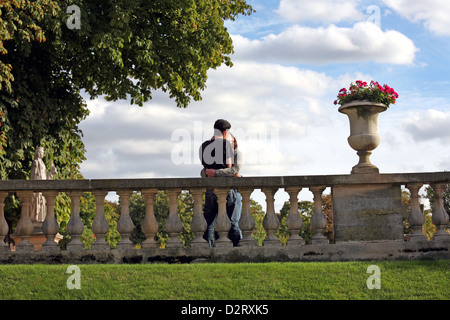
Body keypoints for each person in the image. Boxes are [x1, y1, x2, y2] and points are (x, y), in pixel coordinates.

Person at [199, 120, 243, 247]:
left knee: (226, 225)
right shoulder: (220, 147)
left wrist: (214, 172)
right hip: (222, 191)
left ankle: (223, 249)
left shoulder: (236, 153)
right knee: (214, 225)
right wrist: (214, 172)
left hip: (220, 190)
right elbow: (205, 171)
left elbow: (234, 170)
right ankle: (217, 250)